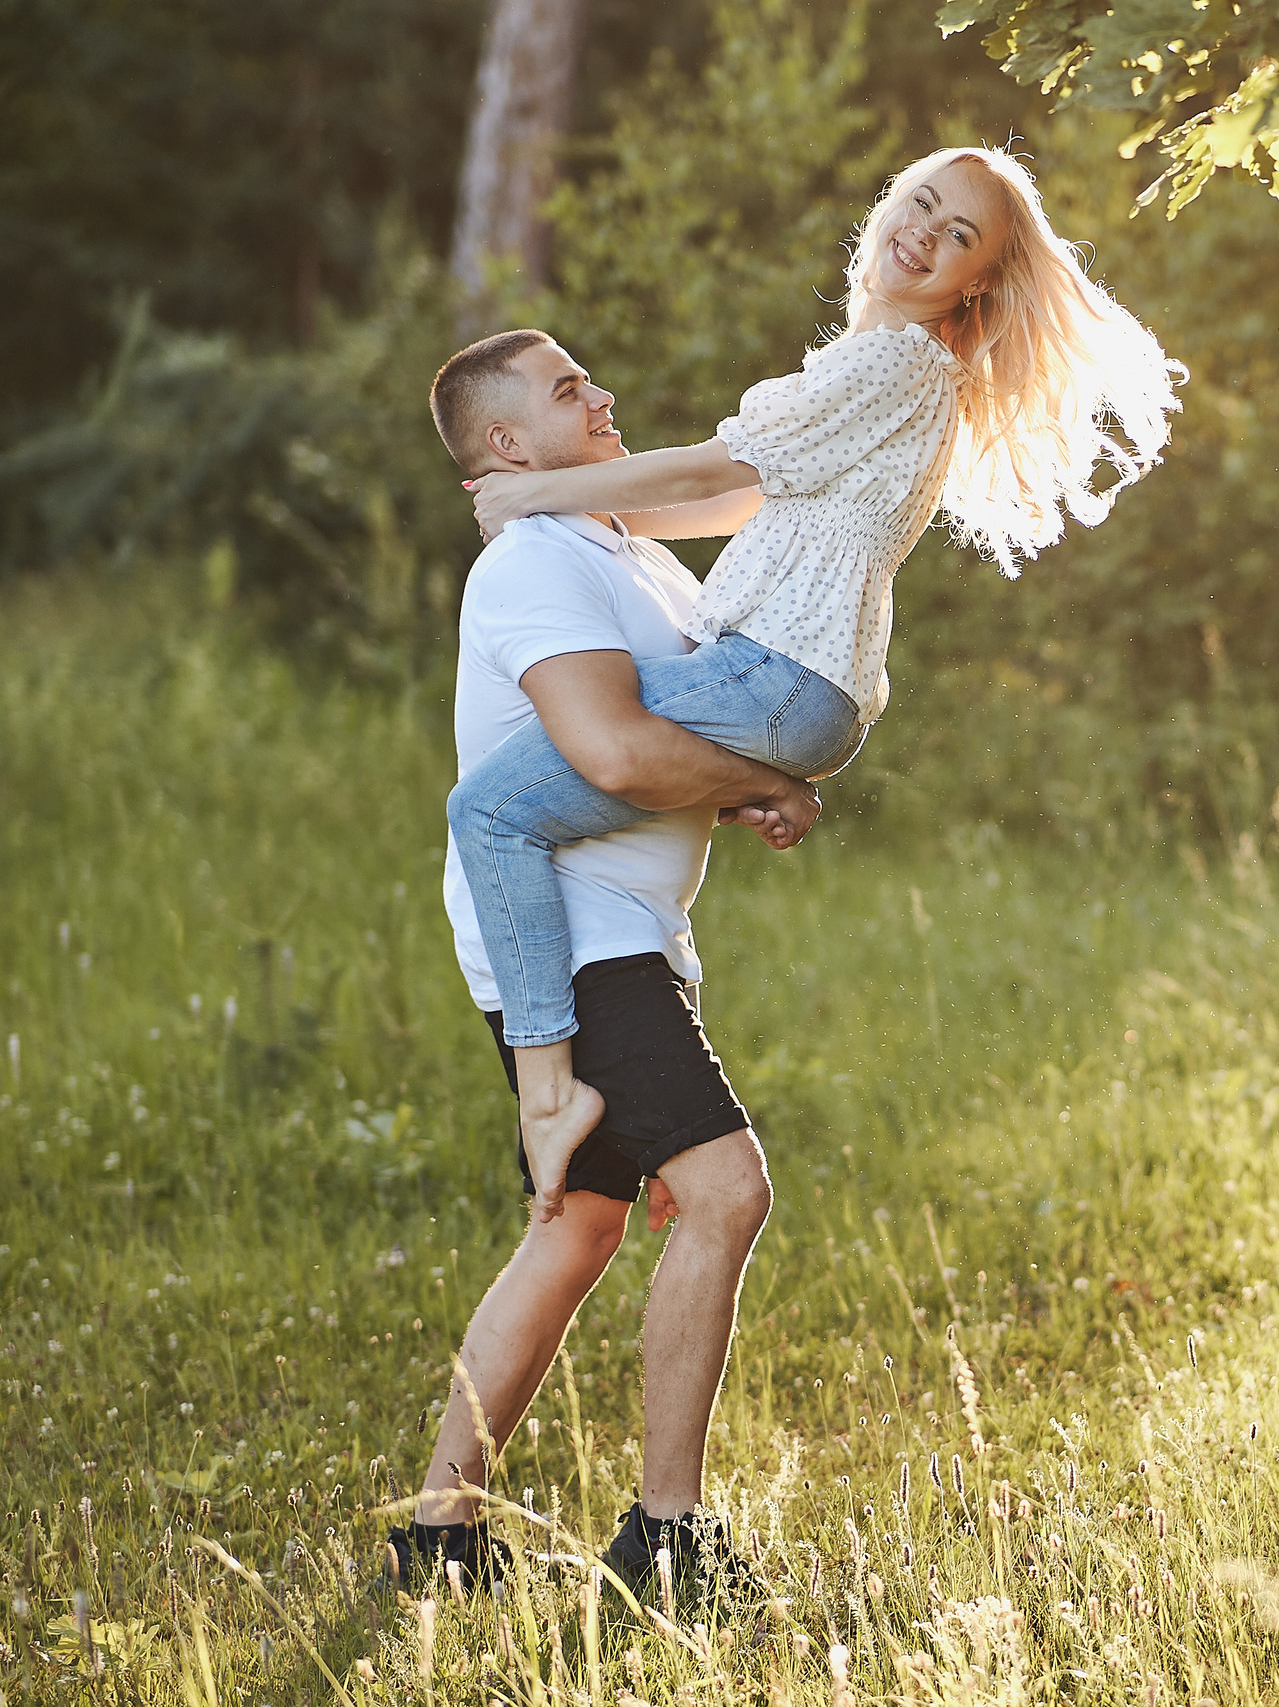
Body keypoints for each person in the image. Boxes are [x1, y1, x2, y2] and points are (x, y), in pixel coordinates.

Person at [452, 145, 1182, 1222]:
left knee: (491, 811)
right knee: (556, 768)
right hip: (794, 687)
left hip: (776, 675)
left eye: (961, 236)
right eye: (923, 204)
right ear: (893, 203)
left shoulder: (887, 366)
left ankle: (549, 1091)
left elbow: (712, 469)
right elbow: (731, 504)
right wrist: (565, 504)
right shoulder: (889, 366)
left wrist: (537, 491)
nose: (926, 233)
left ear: (974, 280)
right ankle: (752, 814)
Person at [385, 327, 811, 1608]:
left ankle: (439, 1536)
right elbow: (613, 751)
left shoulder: (621, 546)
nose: (603, 394)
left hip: (626, 931)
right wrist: (762, 779)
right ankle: (669, 1537)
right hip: (573, 940)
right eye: (570, 391)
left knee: (576, 1229)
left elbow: (738, 488)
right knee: (727, 1190)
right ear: (506, 445)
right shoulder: (530, 565)